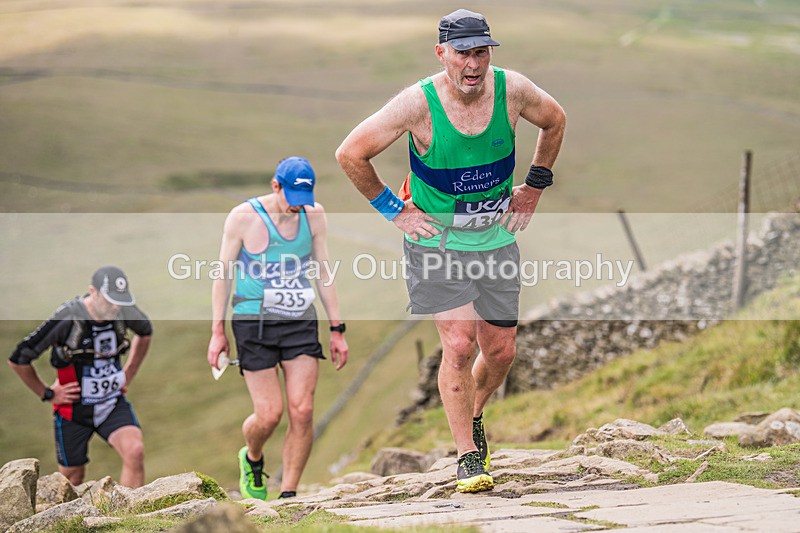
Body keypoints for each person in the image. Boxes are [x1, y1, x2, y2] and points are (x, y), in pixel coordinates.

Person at [336, 9, 565, 493]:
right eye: (462, 53)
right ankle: (467, 459)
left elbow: (556, 119)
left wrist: (535, 186)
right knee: (459, 342)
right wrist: (394, 211)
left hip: (496, 239)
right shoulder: (416, 105)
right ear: (441, 53)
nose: (473, 65)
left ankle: (474, 413)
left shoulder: (514, 90)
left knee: (500, 352)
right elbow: (350, 153)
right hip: (436, 242)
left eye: (481, 52)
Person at [207, 156, 348, 501]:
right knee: (269, 415)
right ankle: (252, 457)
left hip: (299, 319)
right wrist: (217, 332)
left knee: (303, 409)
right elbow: (222, 276)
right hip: (253, 322)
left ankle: (289, 494)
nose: (299, 209)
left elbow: (323, 271)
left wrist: (337, 329)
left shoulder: (314, 214)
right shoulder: (243, 217)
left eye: (305, 202)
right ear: (275, 186)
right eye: (292, 201)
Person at [8, 266, 152, 488]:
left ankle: (131, 517)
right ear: (92, 292)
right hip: (72, 410)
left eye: (120, 300)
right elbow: (19, 358)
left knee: (135, 451)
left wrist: (129, 371)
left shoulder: (122, 309)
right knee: (71, 478)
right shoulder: (67, 318)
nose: (116, 306)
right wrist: (47, 393)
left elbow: (145, 331)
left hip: (112, 402)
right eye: (109, 300)